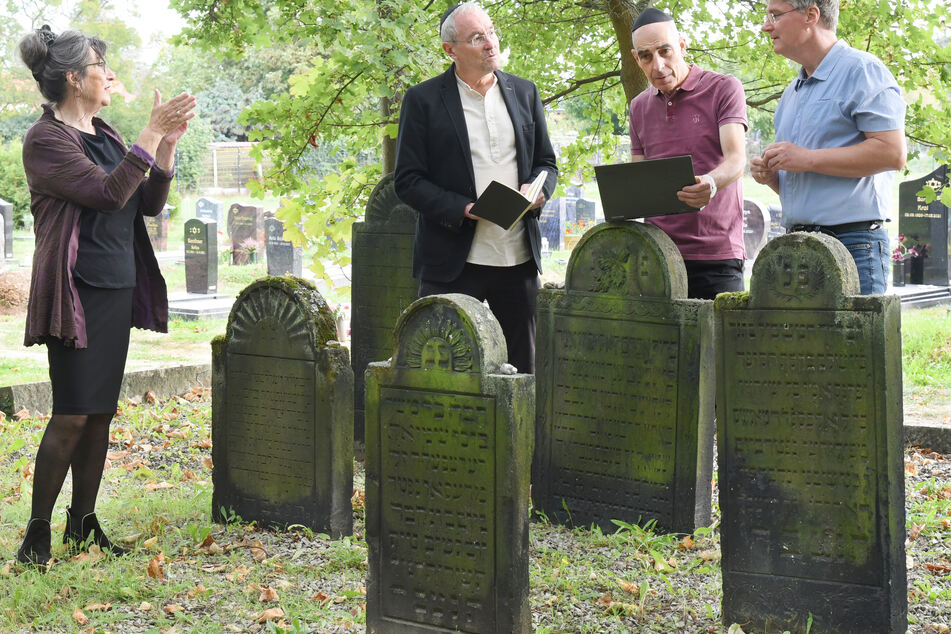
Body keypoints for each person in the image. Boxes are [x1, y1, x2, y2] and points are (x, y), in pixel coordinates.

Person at [15, 25, 196, 566]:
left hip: (117, 284)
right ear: (74, 77)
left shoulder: (106, 133)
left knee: (101, 414)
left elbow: (144, 204)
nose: (111, 75)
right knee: (72, 412)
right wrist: (147, 133)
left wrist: (164, 149)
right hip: (74, 291)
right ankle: (37, 533)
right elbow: (105, 192)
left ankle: (83, 523)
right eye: (101, 66)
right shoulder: (45, 140)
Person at [394, 2, 557, 373]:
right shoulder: (422, 100)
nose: (490, 43)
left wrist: (539, 190)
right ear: (450, 50)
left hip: (517, 259)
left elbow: (546, 163)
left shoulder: (525, 93)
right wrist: (464, 209)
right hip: (453, 260)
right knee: (444, 369)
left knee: (523, 370)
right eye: (477, 37)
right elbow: (407, 181)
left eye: (492, 32)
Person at [751, 0, 906, 295]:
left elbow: (892, 153)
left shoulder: (863, 70)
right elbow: (810, 181)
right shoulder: (790, 93)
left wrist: (805, 159)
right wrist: (774, 178)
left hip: (853, 245)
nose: (766, 25)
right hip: (797, 248)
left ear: (811, 15)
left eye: (775, 15)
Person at [628, 8, 749, 300]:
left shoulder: (724, 88)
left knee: (717, 346)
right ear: (636, 58)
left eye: (665, 51)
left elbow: (736, 160)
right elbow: (638, 178)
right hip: (657, 255)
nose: (657, 66)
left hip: (716, 255)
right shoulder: (638, 107)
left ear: (682, 45)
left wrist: (711, 181)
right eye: (646, 56)